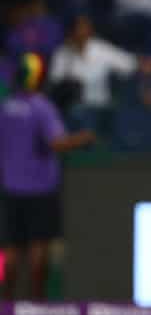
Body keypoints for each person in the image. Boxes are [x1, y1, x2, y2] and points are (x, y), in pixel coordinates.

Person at [0, 53, 95, 300]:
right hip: (40, 187)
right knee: (38, 246)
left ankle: (6, 303)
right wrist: (83, 138)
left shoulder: (6, 107)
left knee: (11, 247)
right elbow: (56, 143)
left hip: (11, 187)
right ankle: (36, 302)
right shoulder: (41, 107)